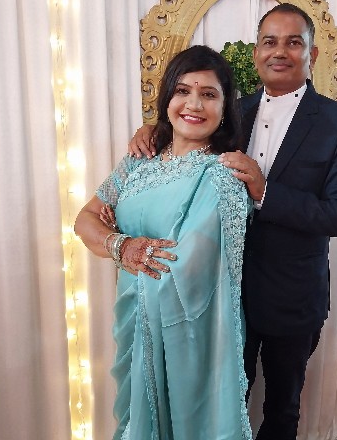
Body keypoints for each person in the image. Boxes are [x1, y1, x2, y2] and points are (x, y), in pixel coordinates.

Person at [129, 3, 337, 440]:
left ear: (311, 55)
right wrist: (153, 131)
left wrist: (266, 191)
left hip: (291, 294)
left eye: (293, 43)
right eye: (269, 42)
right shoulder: (233, 110)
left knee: (281, 409)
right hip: (220, 294)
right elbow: (189, 144)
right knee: (218, 407)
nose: (280, 52)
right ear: (256, 53)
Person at [75, 45, 253, 440]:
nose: (194, 104)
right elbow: (84, 220)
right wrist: (122, 245)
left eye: (209, 94)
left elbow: (189, 267)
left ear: (225, 108)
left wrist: (118, 244)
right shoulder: (137, 162)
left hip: (187, 332)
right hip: (132, 319)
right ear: (167, 98)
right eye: (183, 91)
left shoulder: (222, 176)